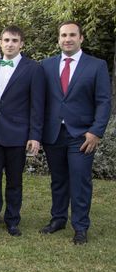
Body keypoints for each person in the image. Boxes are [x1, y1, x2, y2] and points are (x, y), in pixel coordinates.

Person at [40, 21, 111, 244]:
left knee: (80, 181)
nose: (67, 39)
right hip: (53, 134)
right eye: (63, 35)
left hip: (82, 136)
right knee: (58, 180)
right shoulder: (46, 65)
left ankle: (80, 227)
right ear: (58, 39)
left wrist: (96, 131)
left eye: (72, 35)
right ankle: (58, 218)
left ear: (81, 38)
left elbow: (103, 101)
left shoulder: (96, 65)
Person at [0, 26, 44, 237]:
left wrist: (35, 135)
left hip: (18, 134)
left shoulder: (33, 68)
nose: (10, 44)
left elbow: (37, 105)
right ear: (0, 42)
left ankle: (12, 220)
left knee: (14, 181)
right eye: (6, 40)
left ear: (21, 44)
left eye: (14, 40)